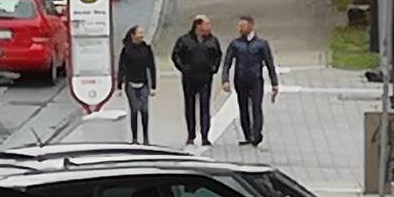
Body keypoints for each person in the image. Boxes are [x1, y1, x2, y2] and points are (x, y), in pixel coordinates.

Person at [219, 15, 280, 146]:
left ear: (251, 26)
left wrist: (274, 83)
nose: (240, 28)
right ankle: (247, 135)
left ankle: (256, 134)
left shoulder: (261, 44)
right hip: (240, 80)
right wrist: (225, 79)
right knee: (243, 108)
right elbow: (227, 63)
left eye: (243, 26)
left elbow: (269, 63)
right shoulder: (235, 44)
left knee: (256, 107)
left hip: (256, 80)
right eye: (239, 26)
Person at [169, 15, 223, 145]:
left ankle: (205, 135)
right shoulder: (184, 40)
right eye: (207, 24)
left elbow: (218, 55)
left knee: (205, 107)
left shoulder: (212, 41)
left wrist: (213, 68)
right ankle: (191, 135)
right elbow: (175, 55)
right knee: (190, 106)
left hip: (205, 78)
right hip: (189, 78)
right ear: (198, 25)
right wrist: (183, 68)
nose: (209, 27)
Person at [117, 26, 158, 144]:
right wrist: (119, 85)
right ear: (133, 35)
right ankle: (134, 138)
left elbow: (152, 67)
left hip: (143, 84)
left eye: (142, 33)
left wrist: (153, 86)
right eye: (139, 33)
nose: (142, 35)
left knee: (144, 110)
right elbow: (121, 68)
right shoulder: (126, 50)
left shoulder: (147, 49)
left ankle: (146, 137)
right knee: (134, 110)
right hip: (130, 84)